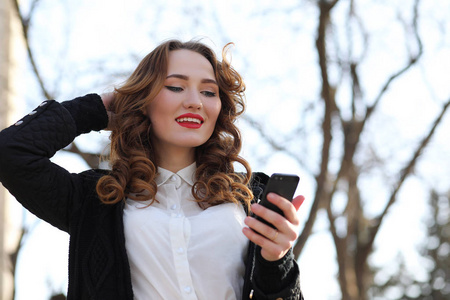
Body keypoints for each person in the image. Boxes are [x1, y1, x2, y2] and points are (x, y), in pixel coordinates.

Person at [0, 39, 305, 300]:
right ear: (144, 99)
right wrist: (97, 108)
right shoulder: (94, 200)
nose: (195, 102)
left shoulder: (250, 197)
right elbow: (11, 152)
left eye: (209, 92)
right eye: (175, 86)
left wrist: (277, 260)